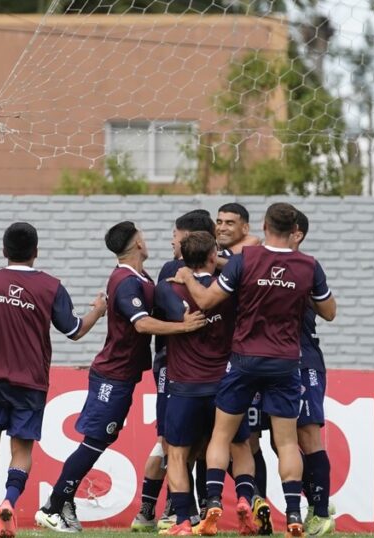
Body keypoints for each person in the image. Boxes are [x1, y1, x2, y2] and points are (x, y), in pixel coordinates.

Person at [169, 203, 336, 538]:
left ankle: (214, 500)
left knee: (222, 435)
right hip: (287, 362)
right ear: (295, 231)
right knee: (287, 442)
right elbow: (329, 311)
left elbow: (206, 301)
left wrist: (187, 275)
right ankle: (293, 514)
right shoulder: (308, 266)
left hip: (245, 359)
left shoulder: (246, 261)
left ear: (261, 225)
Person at [35, 221, 205, 534]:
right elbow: (142, 325)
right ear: (138, 244)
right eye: (145, 236)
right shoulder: (126, 281)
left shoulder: (140, 277)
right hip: (112, 375)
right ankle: (54, 505)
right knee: (95, 441)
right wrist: (184, 327)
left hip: (123, 375)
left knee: (101, 439)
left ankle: (63, 501)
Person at [0, 222, 107, 538]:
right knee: (21, 448)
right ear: (36, 252)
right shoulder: (51, 286)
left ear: (4, 250)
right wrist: (98, 310)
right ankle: (9, 501)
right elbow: (75, 330)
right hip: (31, 380)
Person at [154, 231, 249, 536]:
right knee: (238, 446)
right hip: (224, 385)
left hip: (184, 388)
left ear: (182, 257)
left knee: (179, 455)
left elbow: (166, 321)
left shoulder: (166, 290)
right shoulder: (229, 291)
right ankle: (245, 499)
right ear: (213, 257)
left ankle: (183, 520)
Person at [133, 210, 216, 532]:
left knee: (185, 444)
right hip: (178, 369)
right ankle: (162, 509)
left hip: (181, 370)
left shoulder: (178, 271)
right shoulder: (213, 276)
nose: (171, 240)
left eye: (176, 235)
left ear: (191, 239)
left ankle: (175, 509)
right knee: (174, 443)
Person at [215, 202, 270, 502]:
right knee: (213, 439)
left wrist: (213, 261)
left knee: (249, 439)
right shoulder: (216, 255)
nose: (222, 227)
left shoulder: (251, 254)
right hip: (211, 362)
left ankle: (257, 501)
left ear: (245, 228)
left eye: (230, 223)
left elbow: (254, 246)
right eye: (219, 221)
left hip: (244, 360)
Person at [290, 211, 338, 536]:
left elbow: (330, 312)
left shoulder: (307, 266)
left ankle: (320, 512)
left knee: (308, 434)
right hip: (267, 364)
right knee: (284, 441)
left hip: (303, 360)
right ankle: (314, 500)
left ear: (297, 234)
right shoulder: (256, 263)